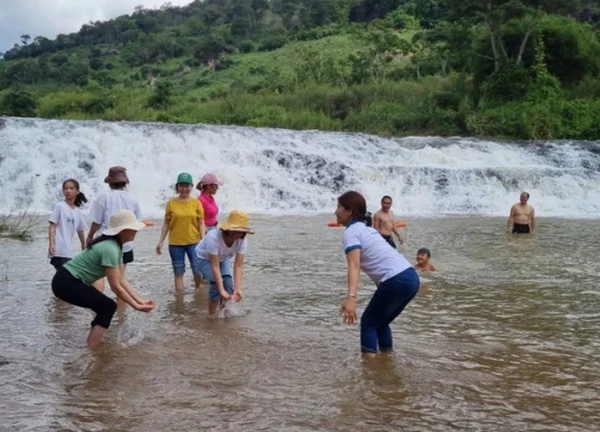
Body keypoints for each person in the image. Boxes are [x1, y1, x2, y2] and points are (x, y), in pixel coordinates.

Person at [51, 210, 156, 348]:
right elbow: (115, 286)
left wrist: (139, 299)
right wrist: (135, 306)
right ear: (122, 231)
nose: (135, 231)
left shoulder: (115, 245)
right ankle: (92, 346)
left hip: (67, 280)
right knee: (108, 306)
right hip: (66, 282)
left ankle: (93, 343)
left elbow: (121, 279)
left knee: (104, 306)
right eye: (132, 228)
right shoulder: (110, 248)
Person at [335, 191, 420, 358]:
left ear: (349, 211)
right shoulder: (368, 230)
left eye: (338, 207)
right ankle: (386, 363)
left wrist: (351, 297)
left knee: (368, 323)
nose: (335, 211)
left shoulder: (351, 232)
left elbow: (354, 265)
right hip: (411, 277)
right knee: (381, 323)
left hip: (397, 279)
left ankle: (370, 371)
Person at [86, 166, 142, 292]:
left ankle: (97, 305)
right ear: (125, 182)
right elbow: (137, 223)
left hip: (105, 243)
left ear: (110, 182)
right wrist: (130, 240)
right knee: (120, 278)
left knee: (97, 275)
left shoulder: (104, 197)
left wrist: (90, 237)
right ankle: (122, 310)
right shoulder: (133, 198)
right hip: (125, 244)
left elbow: (96, 222)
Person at [192, 210, 253, 317]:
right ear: (227, 228)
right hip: (202, 258)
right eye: (234, 230)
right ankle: (211, 315)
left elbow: (238, 266)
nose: (237, 234)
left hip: (222, 258)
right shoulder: (213, 237)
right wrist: (221, 289)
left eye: (240, 231)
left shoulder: (242, 241)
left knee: (228, 285)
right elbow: (215, 266)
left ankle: (222, 312)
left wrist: (238, 288)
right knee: (216, 285)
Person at [156, 172, 207, 291]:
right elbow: (166, 223)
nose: (184, 189)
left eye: (187, 185)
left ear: (191, 186)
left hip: (193, 242)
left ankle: (198, 289)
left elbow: (201, 222)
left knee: (197, 270)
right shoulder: (171, 203)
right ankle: (179, 300)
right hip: (175, 243)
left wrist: (204, 240)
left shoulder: (196, 203)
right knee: (178, 272)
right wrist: (160, 241)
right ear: (177, 187)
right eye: (181, 185)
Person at [48, 179, 88, 270]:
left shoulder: (77, 211)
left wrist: (83, 245)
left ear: (77, 191)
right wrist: (51, 243)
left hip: (68, 251)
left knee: (64, 277)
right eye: (65, 188)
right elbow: (52, 226)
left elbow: (80, 229)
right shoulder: (59, 206)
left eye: (71, 188)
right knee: (65, 275)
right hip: (58, 249)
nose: (68, 191)